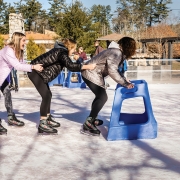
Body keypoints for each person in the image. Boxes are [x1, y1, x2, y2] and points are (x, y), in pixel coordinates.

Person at [28, 39, 96, 134]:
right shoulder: (62, 52)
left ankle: (47, 118)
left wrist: (78, 60)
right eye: (74, 49)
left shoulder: (60, 51)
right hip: (35, 72)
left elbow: (69, 63)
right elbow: (71, 66)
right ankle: (42, 123)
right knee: (46, 96)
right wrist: (88, 67)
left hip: (39, 73)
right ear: (70, 47)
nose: (74, 51)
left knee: (48, 94)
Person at [81, 37, 136, 136]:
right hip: (91, 73)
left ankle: (92, 119)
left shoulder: (117, 52)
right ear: (129, 47)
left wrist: (124, 79)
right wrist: (125, 83)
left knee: (100, 96)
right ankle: (89, 122)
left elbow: (116, 69)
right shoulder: (116, 53)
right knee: (102, 97)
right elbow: (112, 71)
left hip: (94, 74)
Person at [0, 32, 43, 134]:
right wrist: (33, 67)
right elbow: (17, 66)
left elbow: (22, 63)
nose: (25, 43)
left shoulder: (17, 51)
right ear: (17, 40)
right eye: (23, 40)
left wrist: (34, 66)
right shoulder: (8, 51)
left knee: (7, 93)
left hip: (3, 77)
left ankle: (11, 117)